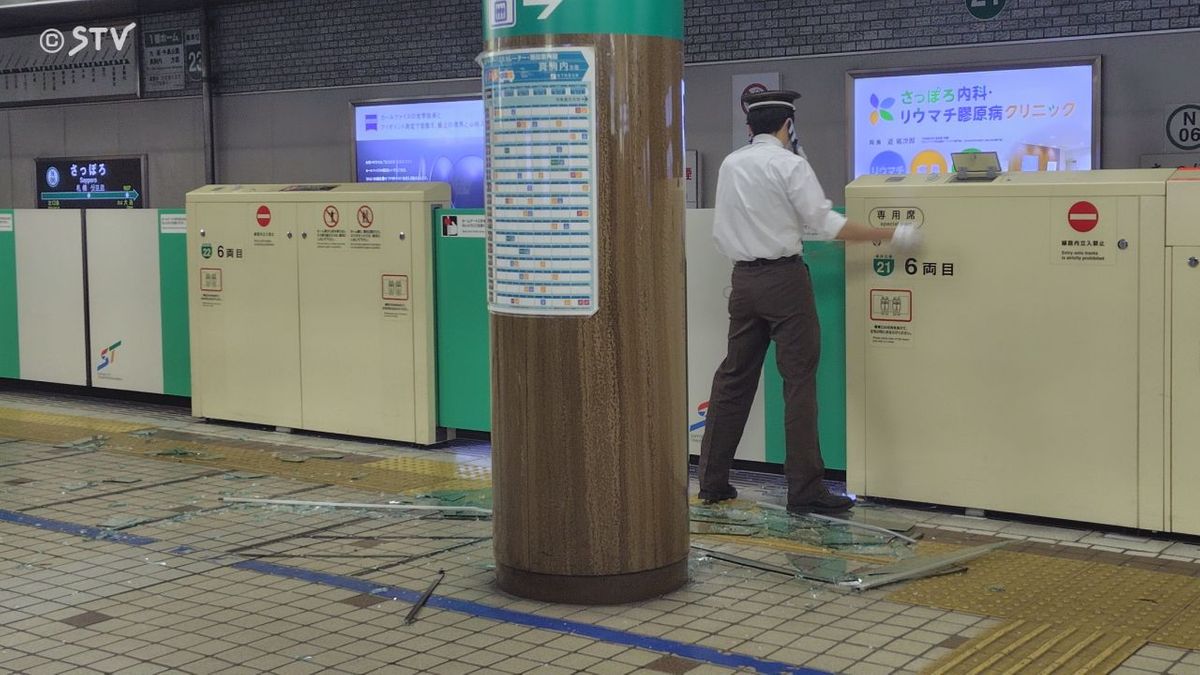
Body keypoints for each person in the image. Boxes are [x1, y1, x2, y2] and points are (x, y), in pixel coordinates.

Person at [696, 89, 920, 515]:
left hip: (742, 282)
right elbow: (827, 224)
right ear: (788, 126)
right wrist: (892, 235)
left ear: (749, 128)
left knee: (733, 380)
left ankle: (712, 482)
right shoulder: (790, 164)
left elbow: (724, 227)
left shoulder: (730, 163)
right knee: (798, 383)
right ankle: (804, 491)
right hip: (784, 281)